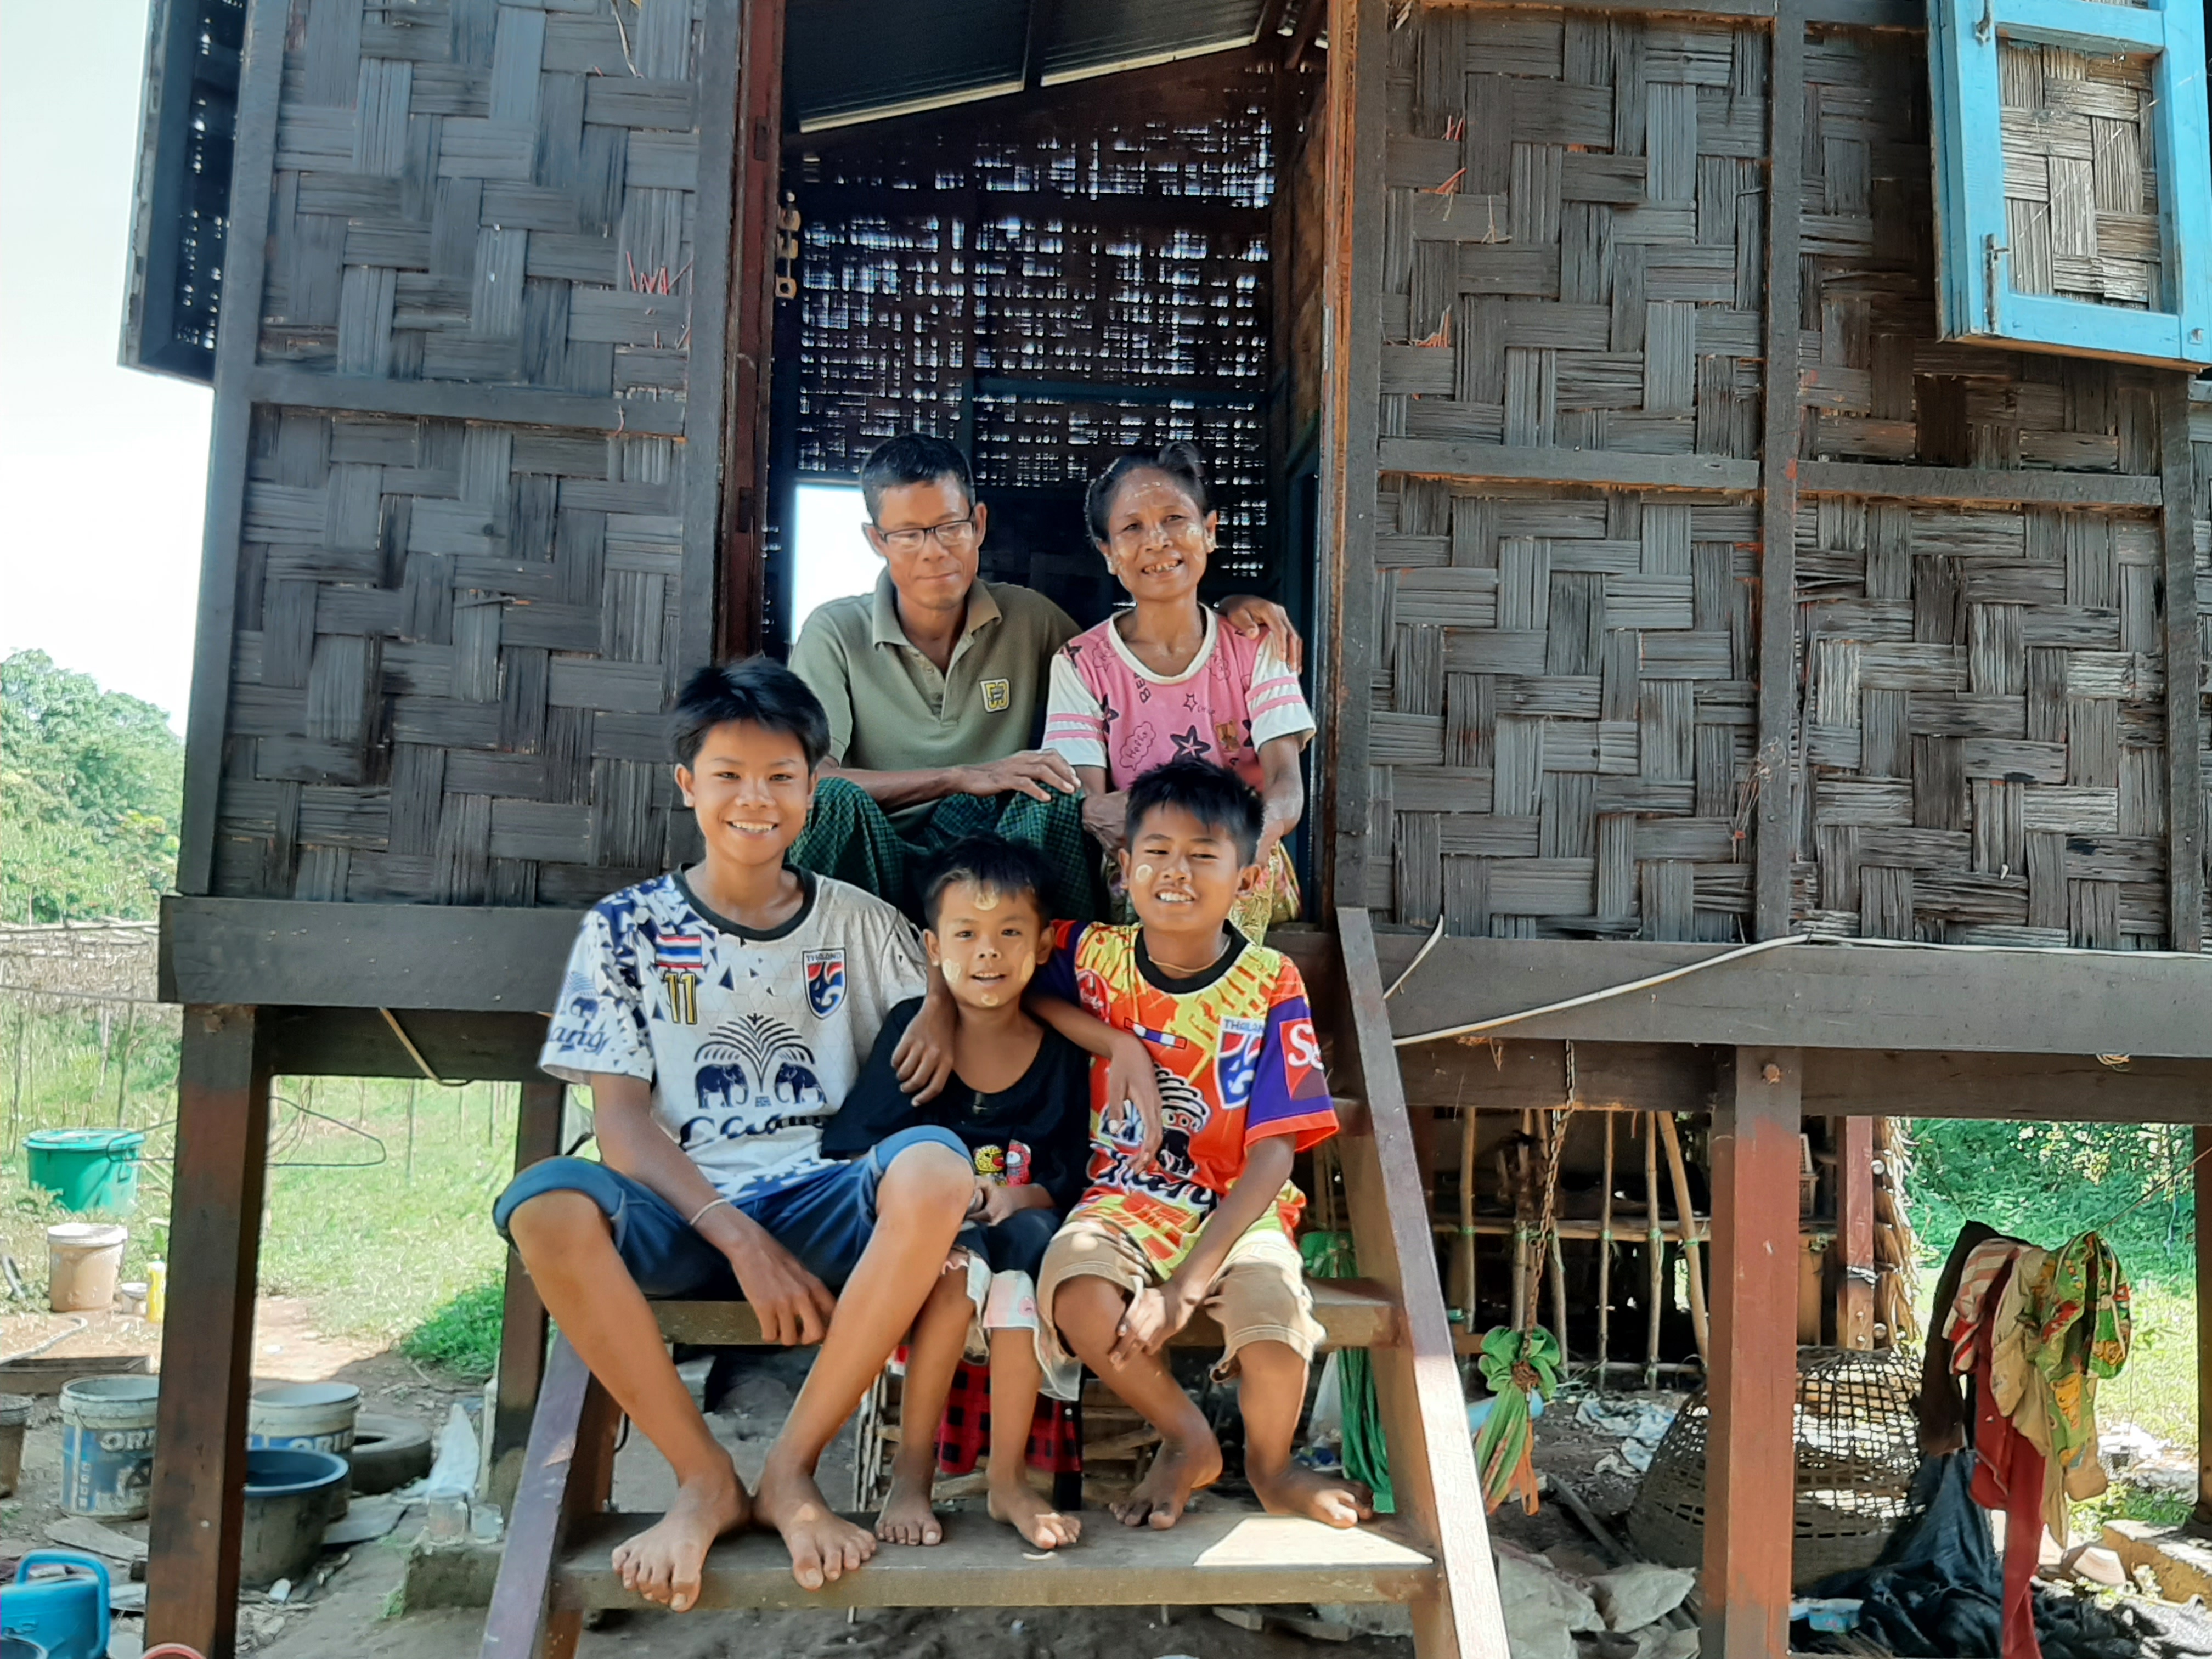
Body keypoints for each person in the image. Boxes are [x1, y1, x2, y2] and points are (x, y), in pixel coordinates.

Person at [493, 658, 980, 1606]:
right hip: (681, 1209)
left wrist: (944, 1010)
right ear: (687, 784)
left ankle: (792, 1468)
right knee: (547, 1203)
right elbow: (624, 1127)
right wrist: (738, 1235)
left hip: (825, 1199)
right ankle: (703, 1476)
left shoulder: (864, 924)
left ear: (813, 788)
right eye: (727, 774)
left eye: (781, 777)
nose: (754, 799)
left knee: (935, 1167)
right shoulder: (624, 929)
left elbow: (951, 1014)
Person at [1032, 759, 1372, 1532]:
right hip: (1123, 1198)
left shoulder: (1270, 981)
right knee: (1077, 1293)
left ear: (1247, 879)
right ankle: (1188, 1439)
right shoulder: (1094, 958)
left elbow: (1276, 1154)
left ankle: (1271, 1467)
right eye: (1155, 852)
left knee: (1277, 1331)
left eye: (1203, 854)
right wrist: (1113, 1041)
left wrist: (1186, 1288)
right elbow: (1019, 981)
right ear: (1123, 869)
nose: (1174, 872)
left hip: (1239, 1209)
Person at [788, 432, 1304, 923]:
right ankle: (823, 957)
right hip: (881, 855)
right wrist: (959, 776)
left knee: (1059, 796)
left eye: (951, 527)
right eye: (908, 535)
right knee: (833, 803)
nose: (934, 550)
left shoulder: (1032, 621)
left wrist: (1230, 608)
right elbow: (806, 782)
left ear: (980, 524)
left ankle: (1066, 965)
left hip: (1000, 857)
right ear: (876, 539)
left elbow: (1134, 647)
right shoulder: (835, 631)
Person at [824, 835, 1100, 1553]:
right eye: (966, 934)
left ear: (1043, 945)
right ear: (932, 945)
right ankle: (910, 1475)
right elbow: (856, 1150)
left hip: (1023, 1234)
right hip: (936, 1248)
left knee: (1019, 1274)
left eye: (1010, 933)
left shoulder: (1063, 1052)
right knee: (953, 1273)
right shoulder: (912, 1037)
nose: (988, 953)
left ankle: (1008, 1481)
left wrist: (1026, 1196)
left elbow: (1076, 1166)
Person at [1044, 443, 1314, 943]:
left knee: (1232, 860)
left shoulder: (1256, 649)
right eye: (1131, 528)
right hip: (1146, 871)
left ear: (1209, 532)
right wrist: (1174, 847)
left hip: (1244, 863)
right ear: (1108, 553)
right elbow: (1097, 809)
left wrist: (1242, 840)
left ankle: (1229, 1002)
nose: (1157, 540)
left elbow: (1286, 788)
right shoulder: (1080, 665)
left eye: (1174, 518)